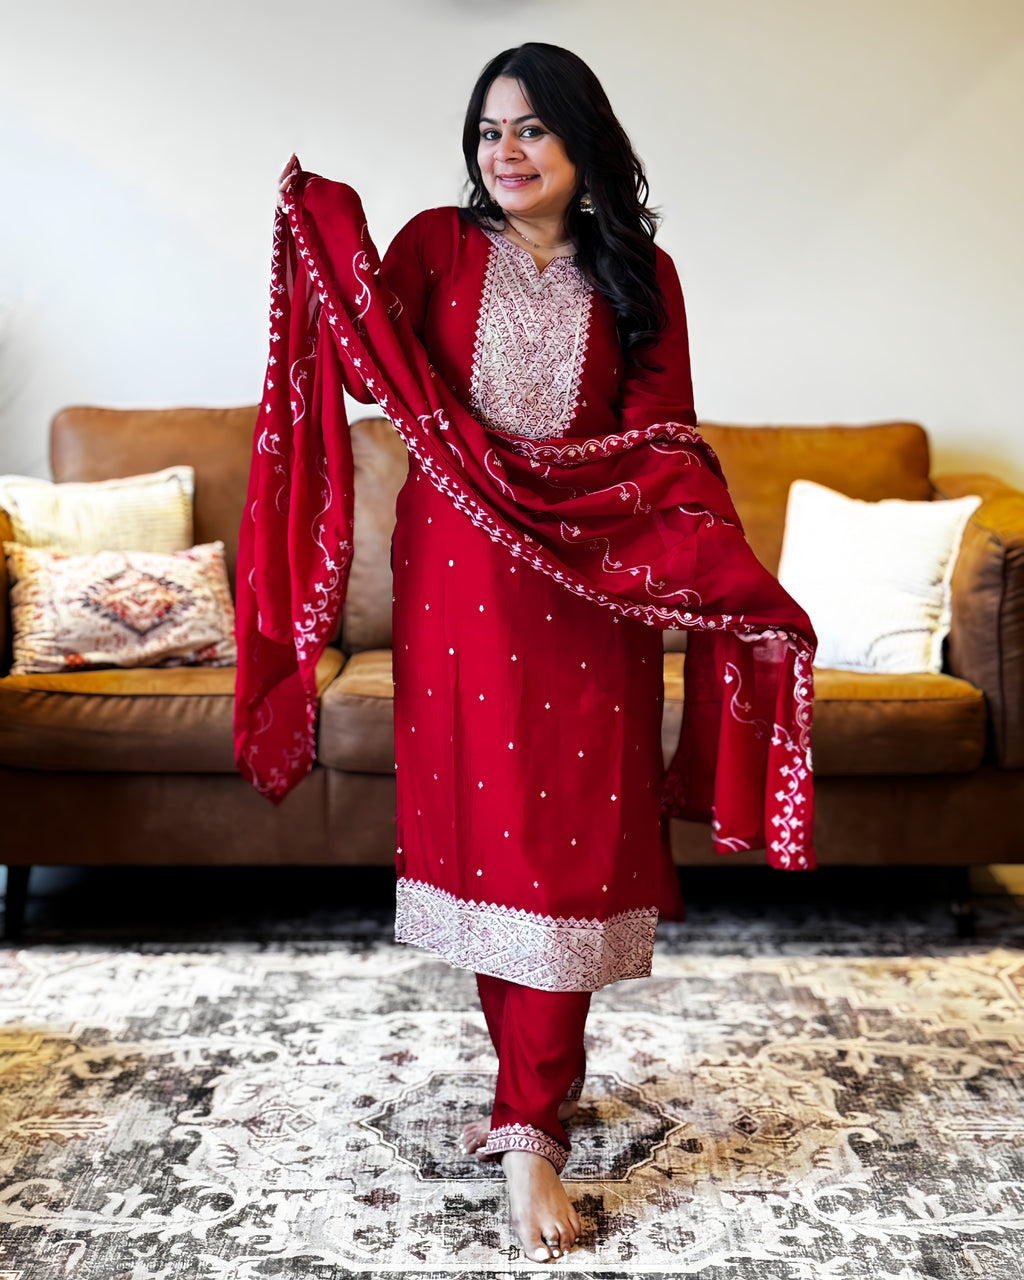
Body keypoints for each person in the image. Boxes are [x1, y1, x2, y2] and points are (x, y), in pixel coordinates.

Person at [236, 43, 816, 1264]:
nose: (506, 150)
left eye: (535, 129)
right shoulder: (433, 249)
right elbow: (361, 357)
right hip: (455, 585)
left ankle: (530, 1117)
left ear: (584, 145)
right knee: (494, 840)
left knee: (566, 847)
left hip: (590, 590)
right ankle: (528, 1107)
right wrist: (316, 237)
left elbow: (663, 438)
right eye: (490, 128)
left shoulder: (640, 272)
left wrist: (671, 544)